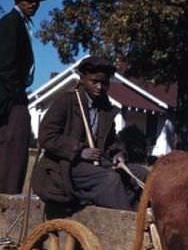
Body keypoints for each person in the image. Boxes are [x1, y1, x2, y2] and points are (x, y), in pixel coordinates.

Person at [33, 56, 147, 210]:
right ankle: (126, 225)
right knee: (110, 179)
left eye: (104, 83)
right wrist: (79, 151)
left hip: (97, 165)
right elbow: (46, 136)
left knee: (140, 173)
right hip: (66, 165)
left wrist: (118, 154)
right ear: (83, 79)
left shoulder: (105, 108)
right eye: (94, 81)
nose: (100, 87)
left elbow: (112, 142)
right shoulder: (66, 101)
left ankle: (138, 218)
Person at [0, 0, 49, 194]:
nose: (33, 4)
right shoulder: (10, 24)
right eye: (28, 0)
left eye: (36, 0)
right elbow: (4, 66)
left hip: (14, 95)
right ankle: (1, 197)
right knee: (14, 144)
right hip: (9, 97)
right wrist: (16, 95)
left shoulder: (20, 23)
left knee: (13, 146)